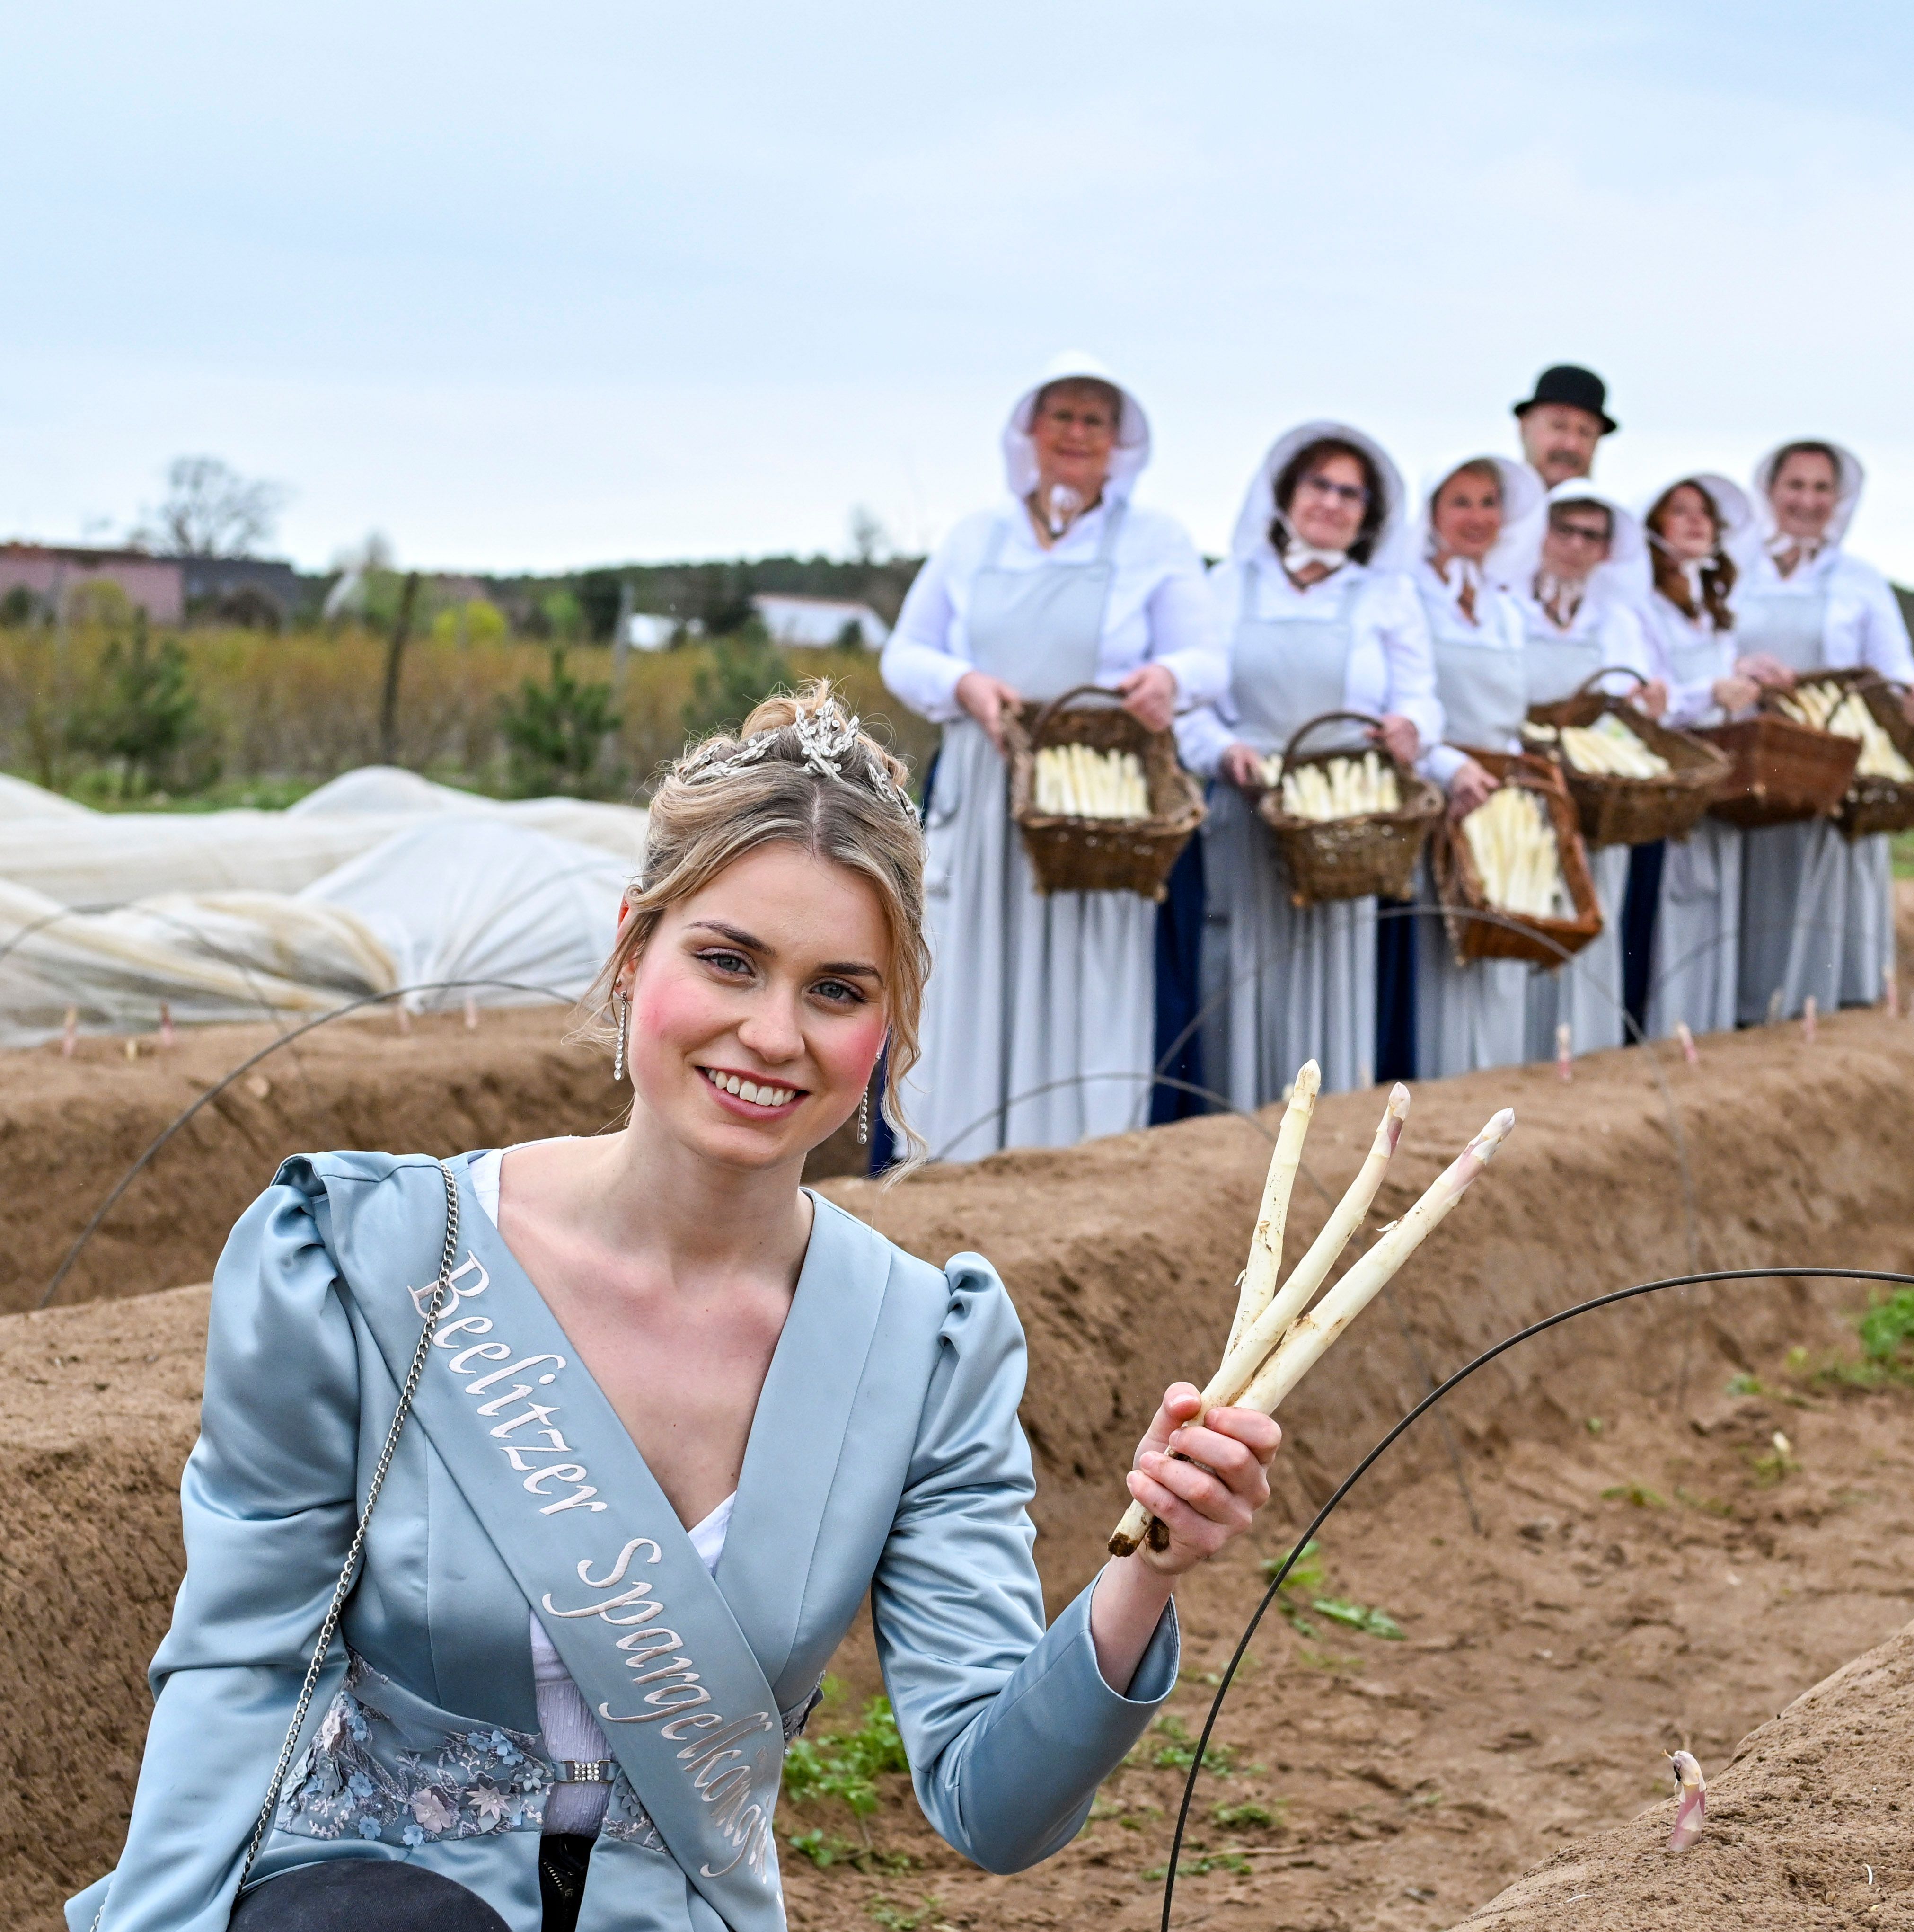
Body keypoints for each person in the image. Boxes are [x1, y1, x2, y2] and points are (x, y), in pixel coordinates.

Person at [70, 685, 1284, 1932]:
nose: (771, 1033)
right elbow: (235, 1675)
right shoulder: (364, 1263)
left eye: (837, 990)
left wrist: (1150, 1568)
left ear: (891, 1024)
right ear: (631, 946)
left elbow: (992, 1803)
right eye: (727, 960)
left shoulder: (923, 1352)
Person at [882, 355, 1225, 1157]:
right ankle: (959, 1144)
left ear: (1120, 443)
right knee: (973, 963)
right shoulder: (976, 537)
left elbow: (1209, 658)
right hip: (989, 783)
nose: (1076, 434)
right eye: (1062, 417)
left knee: (1093, 968)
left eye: (1095, 421)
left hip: (1098, 801)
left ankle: (1089, 1146)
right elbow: (907, 652)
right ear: (1029, 433)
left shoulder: (1154, 540)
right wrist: (964, 684)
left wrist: (1167, 678)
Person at [1180, 423, 1438, 1110]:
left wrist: (1413, 728)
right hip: (1247, 805)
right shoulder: (1228, 585)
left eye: (1350, 493)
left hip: (1347, 818)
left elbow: (1419, 696)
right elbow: (1192, 704)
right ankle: (1233, 1116)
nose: (1332, 502)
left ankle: (1331, 1120)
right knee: (1241, 963)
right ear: (1286, 494)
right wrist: (1220, 752)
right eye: (1318, 485)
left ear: (1369, 514)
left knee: (1336, 964)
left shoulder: (1387, 596)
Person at [1732, 439, 1914, 1020]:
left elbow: (1896, 667)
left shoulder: (1860, 579)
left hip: (1832, 775)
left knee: (1820, 896)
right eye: (1795, 486)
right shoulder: (1737, 569)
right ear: (1770, 492)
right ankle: (1748, 1009)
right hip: (1749, 770)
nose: (1807, 501)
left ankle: (1824, 1008)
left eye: (1822, 489)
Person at [1398, 453, 1548, 1077]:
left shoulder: (1508, 606)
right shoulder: (1407, 594)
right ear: (1433, 513)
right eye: (1460, 502)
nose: (1476, 517)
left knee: (1498, 940)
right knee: (1436, 951)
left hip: (1498, 801)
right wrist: (1445, 765)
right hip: (1436, 790)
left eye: (1489, 503)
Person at [1511, 479, 1661, 1062]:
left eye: (1590, 536)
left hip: (1598, 802)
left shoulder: (1616, 618)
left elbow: (1627, 699)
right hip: (1524, 792)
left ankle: (1586, 1052)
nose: (1574, 545)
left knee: (1591, 916)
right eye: (1564, 529)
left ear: (1606, 550)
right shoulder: (1507, 603)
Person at [1635, 473, 1760, 1041]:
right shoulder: (1644, 607)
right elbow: (1648, 701)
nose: (1694, 522)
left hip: (1721, 777)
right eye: (1678, 511)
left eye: (1703, 514)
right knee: (1671, 906)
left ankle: (1706, 1025)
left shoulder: (1711, 610)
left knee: (1715, 900)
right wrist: (1707, 693)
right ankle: (1665, 1025)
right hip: (1672, 777)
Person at [1512, 364, 1616, 491]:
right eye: (1559, 426)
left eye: (1585, 432)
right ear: (1524, 426)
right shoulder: (1488, 509)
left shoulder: (1620, 510)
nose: (1571, 445)